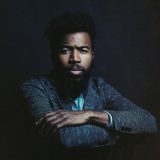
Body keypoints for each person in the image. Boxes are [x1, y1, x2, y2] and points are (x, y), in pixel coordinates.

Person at [21, 12, 157, 160]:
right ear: (54, 55)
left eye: (83, 50)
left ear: (92, 54)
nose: (75, 58)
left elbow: (148, 121)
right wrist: (119, 133)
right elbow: (65, 138)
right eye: (66, 50)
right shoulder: (35, 88)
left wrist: (89, 115)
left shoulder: (100, 87)